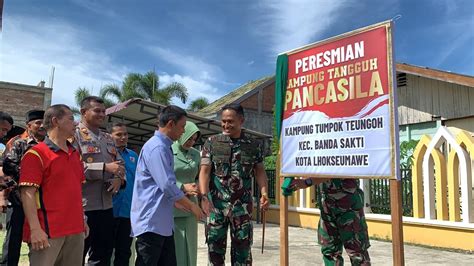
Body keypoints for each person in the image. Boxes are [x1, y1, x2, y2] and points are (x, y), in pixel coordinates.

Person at [131, 105, 204, 266]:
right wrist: (192, 206)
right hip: (151, 222)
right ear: (171, 124)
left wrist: (176, 201)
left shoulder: (164, 147)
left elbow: (162, 185)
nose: (183, 131)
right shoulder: (157, 148)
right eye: (182, 127)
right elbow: (167, 185)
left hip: (162, 222)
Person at [199, 103, 269, 265]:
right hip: (216, 207)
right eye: (223, 121)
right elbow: (204, 172)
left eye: (230, 121)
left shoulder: (253, 145)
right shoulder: (212, 142)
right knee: (215, 252)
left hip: (242, 208)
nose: (226, 125)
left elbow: (260, 171)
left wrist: (264, 193)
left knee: (242, 253)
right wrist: (204, 196)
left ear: (241, 120)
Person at [19, 104, 88, 266]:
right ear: (56, 121)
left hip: (75, 231)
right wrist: (35, 229)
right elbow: (27, 194)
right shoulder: (36, 154)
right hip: (48, 232)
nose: (76, 123)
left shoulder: (75, 154)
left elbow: (77, 191)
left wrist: (82, 219)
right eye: (71, 119)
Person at [73, 96, 125, 265]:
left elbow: (120, 164)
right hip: (83, 206)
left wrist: (118, 178)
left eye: (104, 111)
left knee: (103, 254)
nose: (102, 114)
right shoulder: (73, 135)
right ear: (83, 112)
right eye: (97, 111)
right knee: (77, 253)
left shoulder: (108, 138)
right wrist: (104, 167)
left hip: (106, 206)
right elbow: (72, 168)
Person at [290, 177, 371, 265]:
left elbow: (332, 170)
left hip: (348, 207)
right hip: (327, 208)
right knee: (330, 252)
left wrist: (307, 182)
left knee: (357, 253)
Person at [1, 110, 45, 266]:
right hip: (19, 199)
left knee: (39, 240)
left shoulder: (50, 145)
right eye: (38, 122)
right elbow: (7, 165)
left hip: (43, 202)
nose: (42, 125)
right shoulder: (19, 142)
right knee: (13, 239)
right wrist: (31, 174)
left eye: (43, 122)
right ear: (29, 125)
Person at [172, 121, 201, 266]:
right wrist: (181, 187)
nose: (191, 142)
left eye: (194, 139)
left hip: (191, 205)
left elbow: (200, 176)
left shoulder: (196, 154)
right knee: (175, 248)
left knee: (191, 245)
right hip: (173, 203)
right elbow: (162, 177)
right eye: (189, 138)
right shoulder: (168, 150)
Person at [110, 122, 138, 266]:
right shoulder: (106, 153)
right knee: (104, 250)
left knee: (124, 251)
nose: (123, 137)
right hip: (109, 211)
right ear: (110, 136)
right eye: (118, 134)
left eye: (125, 134)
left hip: (128, 212)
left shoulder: (133, 156)